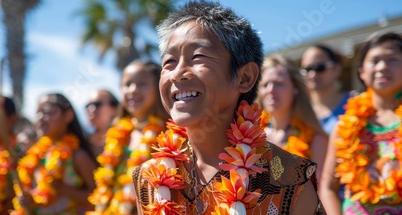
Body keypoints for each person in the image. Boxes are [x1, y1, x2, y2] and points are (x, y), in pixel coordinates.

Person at [133, 2, 325, 215]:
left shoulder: (289, 178)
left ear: (244, 77)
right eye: (169, 62)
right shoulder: (149, 177)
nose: (177, 73)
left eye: (198, 57)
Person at [320, 32, 402, 215]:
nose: (382, 67)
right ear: (362, 72)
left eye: (392, 59)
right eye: (374, 60)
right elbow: (328, 187)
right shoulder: (343, 126)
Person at [87, 60, 168, 214]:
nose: (133, 90)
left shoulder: (168, 132)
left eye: (142, 84)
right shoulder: (116, 133)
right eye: (127, 84)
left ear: (159, 87)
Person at [14, 93, 97, 214]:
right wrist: (29, 200)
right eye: (38, 113)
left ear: (68, 115)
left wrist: (64, 190)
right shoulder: (37, 156)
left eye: (48, 112)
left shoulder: (78, 156)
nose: (41, 118)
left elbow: (99, 197)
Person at [259, 55, 328, 180]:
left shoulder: (316, 139)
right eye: (265, 85)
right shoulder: (249, 135)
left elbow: (319, 190)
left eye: (278, 84)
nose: (271, 90)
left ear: (295, 88)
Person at [300, 44, 351, 135]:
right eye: (307, 69)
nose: (313, 74)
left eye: (319, 67)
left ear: (336, 69)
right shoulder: (299, 111)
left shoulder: (356, 104)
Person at [85, 89, 119, 157]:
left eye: (97, 104)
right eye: (88, 105)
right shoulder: (82, 143)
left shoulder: (126, 138)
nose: (91, 109)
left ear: (113, 109)